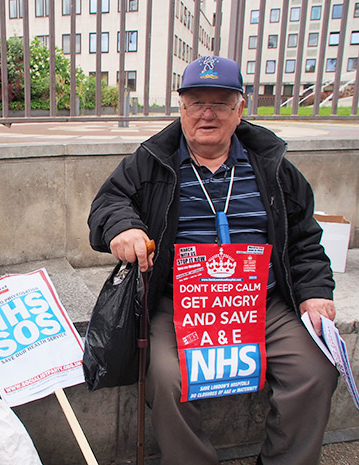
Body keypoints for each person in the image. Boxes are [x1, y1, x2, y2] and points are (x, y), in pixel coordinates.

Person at [87, 56, 338, 465]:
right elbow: (108, 202)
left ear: (240, 109)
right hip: (180, 303)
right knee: (167, 378)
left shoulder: (271, 166)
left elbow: (305, 235)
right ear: (181, 109)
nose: (207, 113)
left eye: (220, 103)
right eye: (196, 102)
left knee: (315, 370)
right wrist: (123, 228)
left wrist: (313, 293)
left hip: (260, 302)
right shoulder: (153, 159)